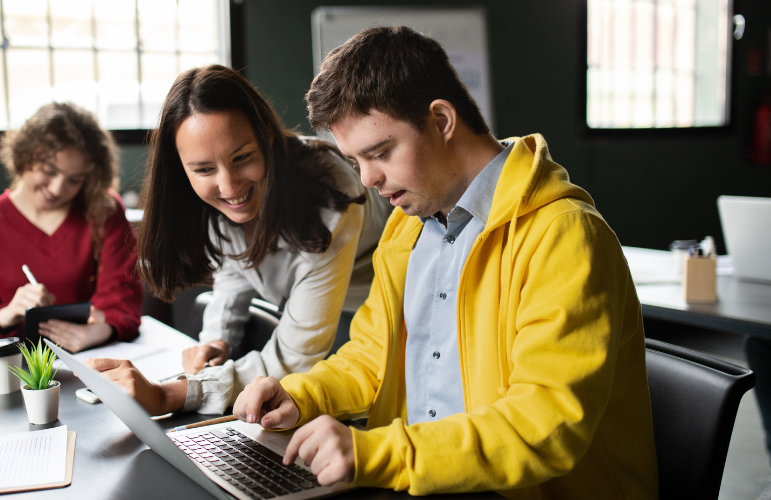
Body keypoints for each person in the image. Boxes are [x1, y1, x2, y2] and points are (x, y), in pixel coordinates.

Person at [232, 26, 659, 499]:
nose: (370, 179)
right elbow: (373, 355)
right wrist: (302, 395)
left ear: (440, 120)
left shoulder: (564, 236)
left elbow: (545, 425)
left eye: (380, 152)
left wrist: (379, 455)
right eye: (356, 162)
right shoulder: (407, 227)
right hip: (427, 485)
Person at [85, 65, 390, 416]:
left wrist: (172, 394)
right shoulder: (213, 204)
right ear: (181, 170)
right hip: (313, 320)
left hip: (373, 311)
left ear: (268, 139)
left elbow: (295, 356)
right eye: (203, 169)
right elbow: (234, 268)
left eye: (242, 157)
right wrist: (217, 340)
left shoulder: (331, 192)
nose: (229, 187)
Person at [0, 102, 143, 353]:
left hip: (89, 358)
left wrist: (99, 331)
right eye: (49, 171)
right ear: (25, 156)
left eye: (75, 180)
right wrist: (6, 314)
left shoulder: (104, 209)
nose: (57, 189)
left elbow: (122, 301)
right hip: (11, 365)